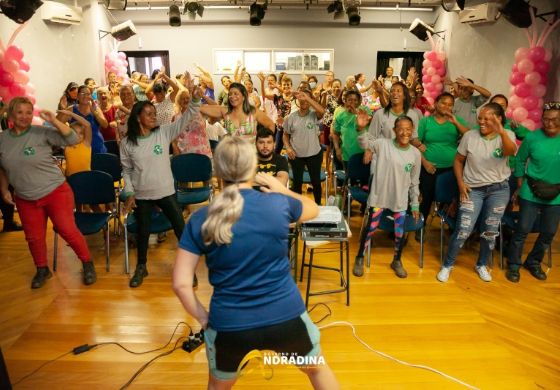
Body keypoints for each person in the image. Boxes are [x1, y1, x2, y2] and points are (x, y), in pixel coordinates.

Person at [172, 136, 339, 390]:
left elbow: (181, 285)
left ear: (218, 171)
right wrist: (280, 187)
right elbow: (312, 207)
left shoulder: (201, 218)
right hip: (286, 316)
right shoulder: (278, 204)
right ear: (254, 169)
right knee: (317, 370)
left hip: (229, 323)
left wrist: (206, 320)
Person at [0, 97, 96, 288]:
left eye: (29, 112)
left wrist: (54, 120)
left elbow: (72, 139)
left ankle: (87, 263)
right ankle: (42, 269)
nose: (25, 116)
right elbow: (2, 167)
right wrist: (4, 188)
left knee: (66, 229)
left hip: (55, 191)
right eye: (19, 112)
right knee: (33, 237)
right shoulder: (2, 140)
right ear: (10, 115)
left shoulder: (41, 132)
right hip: (25, 197)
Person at [120, 73, 202, 288]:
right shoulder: (127, 143)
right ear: (138, 117)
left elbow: (187, 117)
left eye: (154, 112)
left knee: (180, 230)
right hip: (143, 195)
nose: (154, 116)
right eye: (148, 113)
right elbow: (126, 171)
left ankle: (188, 269)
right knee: (143, 232)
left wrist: (194, 99)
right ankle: (142, 266)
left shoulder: (163, 133)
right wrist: (129, 192)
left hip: (166, 192)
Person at [437, 103, 517, 283]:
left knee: (490, 231)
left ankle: (481, 264)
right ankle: (448, 264)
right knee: (463, 229)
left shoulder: (507, 135)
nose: (481, 121)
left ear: (499, 119)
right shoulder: (469, 136)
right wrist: (460, 183)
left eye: (487, 118)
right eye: (480, 117)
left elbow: (510, 152)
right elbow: (458, 161)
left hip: (498, 190)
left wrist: (502, 132)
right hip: (473, 190)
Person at [353, 116, 421, 278]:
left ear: (412, 131)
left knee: (399, 233)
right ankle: (360, 257)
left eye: (408, 129)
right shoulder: (383, 144)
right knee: (371, 228)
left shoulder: (415, 154)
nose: (405, 132)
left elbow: (414, 181)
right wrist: (361, 129)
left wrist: (415, 203)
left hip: (400, 200)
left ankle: (396, 260)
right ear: (394, 130)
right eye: (401, 129)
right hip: (379, 197)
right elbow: (364, 144)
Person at [506, 102, 560, 282]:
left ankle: (534, 262)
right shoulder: (532, 138)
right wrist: (520, 184)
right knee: (522, 229)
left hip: (556, 194)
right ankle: (514, 265)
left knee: (549, 232)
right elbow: (520, 161)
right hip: (531, 190)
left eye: (554, 120)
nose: (549, 123)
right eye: (546, 119)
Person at [416, 93, 469, 236]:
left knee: (453, 198)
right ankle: (420, 226)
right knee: (427, 197)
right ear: (436, 103)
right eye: (443, 103)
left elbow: (471, 136)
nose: (446, 106)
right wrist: (425, 163)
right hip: (429, 166)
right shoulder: (425, 122)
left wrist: (456, 122)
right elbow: (415, 145)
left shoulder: (456, 120)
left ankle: (452, 227)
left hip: (452, 168)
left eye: (450, 104)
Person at [283, 89, 325, 204]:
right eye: (301, 98)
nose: (303, 100)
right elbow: (285, 135)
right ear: (297, 100)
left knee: (316, 182)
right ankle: (298, 209)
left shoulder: (314, 114)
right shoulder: (291, 117)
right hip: (296, 156)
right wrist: (288, 147)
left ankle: (318, 206)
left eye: (306, 98)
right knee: (297, 183)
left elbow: (322, 111)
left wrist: (307, 98)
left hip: (314, 155)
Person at [201, 82, 275, 143]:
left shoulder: (254, 112)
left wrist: (263, 142)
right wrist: (201, 96)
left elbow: (270, 125)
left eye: (236, 94)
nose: (232, 96)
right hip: (232, 154)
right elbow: (202, 108)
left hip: (251, 154)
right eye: (230, 94)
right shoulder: (225, 111)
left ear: (243, 97)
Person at [57, 85, 108, 155]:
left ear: (91, 96)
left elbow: (105, 125)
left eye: (88, 94)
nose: (85, 96)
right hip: (78, 150)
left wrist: (95, 113)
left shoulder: (95, 108)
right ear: (77, 96)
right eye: (83, 94)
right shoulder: (71, 109)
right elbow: (57, 124)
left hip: (97, 148)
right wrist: (63, 109)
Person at [332, 90, 371, 169]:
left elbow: (370, 120)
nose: (352, 102)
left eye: (355, 100)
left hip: (364, 153)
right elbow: (335, 133)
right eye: (350, 100)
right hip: (347, 154)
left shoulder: (364, 110)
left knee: (364, 179)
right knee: (349, 178)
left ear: (359, 101)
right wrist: (337, 149)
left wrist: (356, 112)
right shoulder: (340, 116)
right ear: (345, 101)